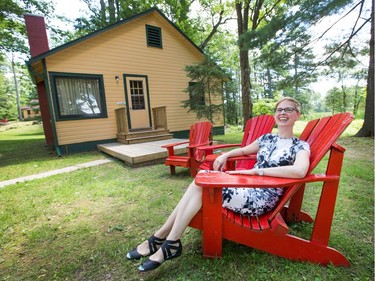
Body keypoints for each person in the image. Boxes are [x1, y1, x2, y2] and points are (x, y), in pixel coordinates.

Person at [126, 97, 310, 272]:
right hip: (247, 186)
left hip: (262, 197)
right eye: (279, 109)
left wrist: (257, 171)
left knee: (203, 184)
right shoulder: (267, 139)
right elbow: (245, 150)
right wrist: (226, 155)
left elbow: (300, 171)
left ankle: (163, 239)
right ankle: (166, 240)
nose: (283, 113)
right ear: (275, 114)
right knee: (202, 180)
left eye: (289, 109)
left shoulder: (300, 146)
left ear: (297, 115)